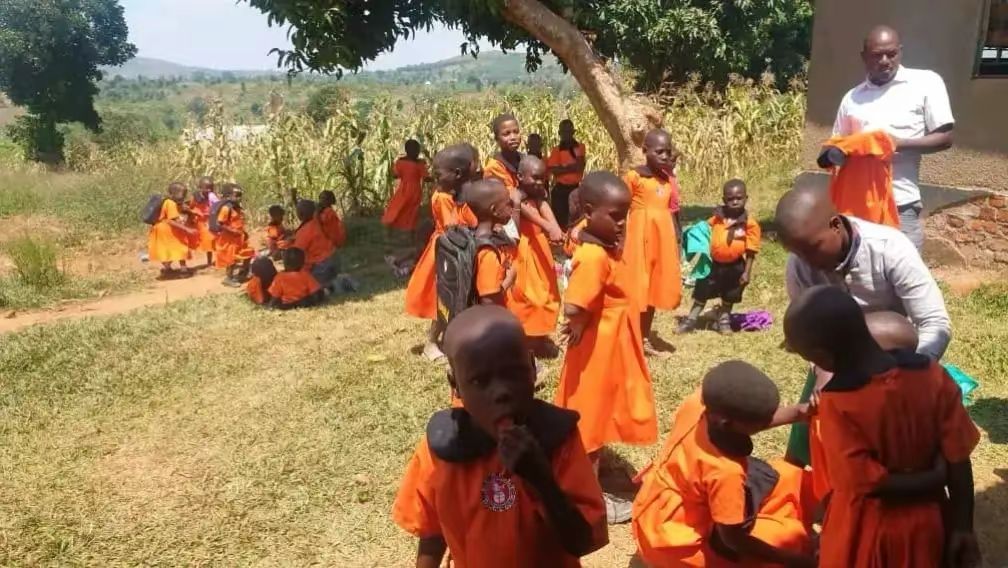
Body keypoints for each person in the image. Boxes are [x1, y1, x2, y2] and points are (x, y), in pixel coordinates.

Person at [392, 305, 608, 568]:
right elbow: (431, 531)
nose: (501, 392)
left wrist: (542, 480)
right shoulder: (441, 449)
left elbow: (582, 542)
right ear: (455, 385)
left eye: (513, 373)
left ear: (532, 367)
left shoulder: (557, 439)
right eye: (480, 381)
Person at [783, 286, 981, 568]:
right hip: (930, 523)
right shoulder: (933, 376)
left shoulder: (839, 402)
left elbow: (862, 482)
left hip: (868, 531)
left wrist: (932, 479)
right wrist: (962, 526)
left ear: (821, 357)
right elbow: (959, 458)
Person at [632, 360, 814, 567]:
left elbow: (742, 418)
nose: (766, 423)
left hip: (653, 512)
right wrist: (792, 559)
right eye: (760, 422)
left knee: (790, 475)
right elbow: (733, 539)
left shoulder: (700, 405)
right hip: (676, 547)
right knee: (790, 537)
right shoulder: (725, 471)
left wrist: (799, 412)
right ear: (727, 424)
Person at [555, 171, 657, 524]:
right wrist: (579, 322)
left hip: (610, 345)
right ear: (587, 209)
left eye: (624, 215)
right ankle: (589, 496)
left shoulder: (598, 244)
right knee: (592, 419)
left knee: (604, 410)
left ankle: (595, 478)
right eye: (615, 216)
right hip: (597, 350)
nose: (621, 224)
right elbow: (573, 304)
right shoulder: (594, 256)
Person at [776, 183, 951, 360]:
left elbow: (934, 322)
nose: (807, 261)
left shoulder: (890, 248)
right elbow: (810, 327)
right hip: (840, 361)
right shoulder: (799, 263)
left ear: (836, 225)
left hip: (899, 354)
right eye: (797, 253)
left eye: (813, 248)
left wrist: (917, 369)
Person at [832, 25, 955, 250]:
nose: (885, 60)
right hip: (858, 206)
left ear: (901, 51)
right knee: (859, 275)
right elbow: (838, 145)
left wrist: (897, 143)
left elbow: (945, 137)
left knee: (905, 276)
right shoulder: (852, 99)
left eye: (892, 53)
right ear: (864, 57)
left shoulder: (925, 83)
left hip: (900, 203)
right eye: (877, 55)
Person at [404, 145, 479, 361]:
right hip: (446, 253)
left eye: (438, 174)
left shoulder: (459, 194)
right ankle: (431, 343)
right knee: (443, 301)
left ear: (456, 174)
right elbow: (453, 228)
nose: (434, 178)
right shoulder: (443, 197)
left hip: (458, 252)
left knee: (458, 300)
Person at [622, 129, 683, 354]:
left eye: (668, 151)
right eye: (659, 152)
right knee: (637, 287)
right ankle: (630, 336)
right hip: (638, 240)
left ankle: (644, 336)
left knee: (653, 289)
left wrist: (677, 237)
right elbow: (619, 209)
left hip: (661, 240)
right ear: (645, 151)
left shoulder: (667, 181)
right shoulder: (634, 177)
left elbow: (673, 212)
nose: (665, 156)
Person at [679, 179, 761, 334]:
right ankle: (691, 320)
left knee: (731, 293)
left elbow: (751, 250)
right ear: (724, 200)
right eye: (730, 199)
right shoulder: (717, 217)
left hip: (735, 265)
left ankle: (723, 321)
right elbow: (705, 228)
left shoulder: (750, 224)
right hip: (713, 264)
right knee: (702, 291)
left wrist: (747, 271)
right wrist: (693, 235)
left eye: (739, 198)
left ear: (746, 198)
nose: (735, 201)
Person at [511, 156, 563, 354]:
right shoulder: (514, 195)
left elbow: (543, 207)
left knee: (548, 291)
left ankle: (540, 336)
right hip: (523, 249)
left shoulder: (538, 194)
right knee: (528, 296)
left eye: (543, 178)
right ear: (520, 176)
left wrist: (556, 227)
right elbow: (527, 212)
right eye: (535, 177)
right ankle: (528, 340)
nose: (540, 182)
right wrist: (549, 227)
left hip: (539, 247)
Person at [469, 179, 518, 308]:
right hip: (489, 321)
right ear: (494, 211)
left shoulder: (471, 236)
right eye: (508, 204)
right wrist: (510, 279)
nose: (513, 207)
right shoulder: (487, 252)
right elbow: (489, 302)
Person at [148, 182, 196, 279]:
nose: (183, 198)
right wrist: (187, 229)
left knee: (167, 250)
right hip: (169, 230)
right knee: (181, 247)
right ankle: (183, 270)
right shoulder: (171, 204)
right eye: (182, 195)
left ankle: (167, 268)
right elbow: (171, 220)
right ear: (172, 194)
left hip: (161, 229)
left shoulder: (168, 202)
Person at [382, 139, 430, 234]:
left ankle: (390, 225)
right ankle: (410, 230)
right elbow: (426, 178)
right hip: (415, 190)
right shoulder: (419, 164)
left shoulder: (401, 162)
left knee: (397, 206)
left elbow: (395, 175)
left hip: (403, 189)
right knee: (412, 211)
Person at [547, 119, 587, 228]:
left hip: (575, 189)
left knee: (575, 220)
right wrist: (571, 167)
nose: (566, 135)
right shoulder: (556, 150)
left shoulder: (580, 147)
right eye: (564, 132)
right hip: (560, 190)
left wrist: (562, 168)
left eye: (569, 132)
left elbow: (579, 168)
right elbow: (552, 170)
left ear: (573, 132)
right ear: (559, 133)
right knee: (560, 221)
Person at [291, 199, 338, 288]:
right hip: (333, 259)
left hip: (320, 266)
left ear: (300, 215)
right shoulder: (317, 222)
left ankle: (331, 286)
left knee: (307, 285)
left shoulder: (304, 231)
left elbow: (296, 254)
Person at [213, 184, 254, 286]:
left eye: (240, 195)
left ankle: (244, 272)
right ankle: (228, 278)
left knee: (248, 253)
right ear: (227, 196)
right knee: (231, 259)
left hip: (239, 238)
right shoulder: (226, 209)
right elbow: (220, 223)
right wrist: (232, 231)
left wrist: (243, 233)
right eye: (236, 195)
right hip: (229, 240)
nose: (239, 198)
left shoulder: (236, 208)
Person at [484, 113, 524, 194]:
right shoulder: (493, 168)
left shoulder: (525, 160)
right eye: (506, 134)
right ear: (497, 139)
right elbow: (507, 196)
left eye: (516, 132)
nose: (513, 137)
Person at [187, 178, 217, 267]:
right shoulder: (195, 197)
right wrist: (195, 213)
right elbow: (190, 208)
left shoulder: (212, 196)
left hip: (209, 221)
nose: (209, 190)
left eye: (211, 188)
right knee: (206, 241)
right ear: (200, 187)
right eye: (206, 188)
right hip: (200, 222)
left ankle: (211, 261)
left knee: (211, 240)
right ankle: (208, 262)